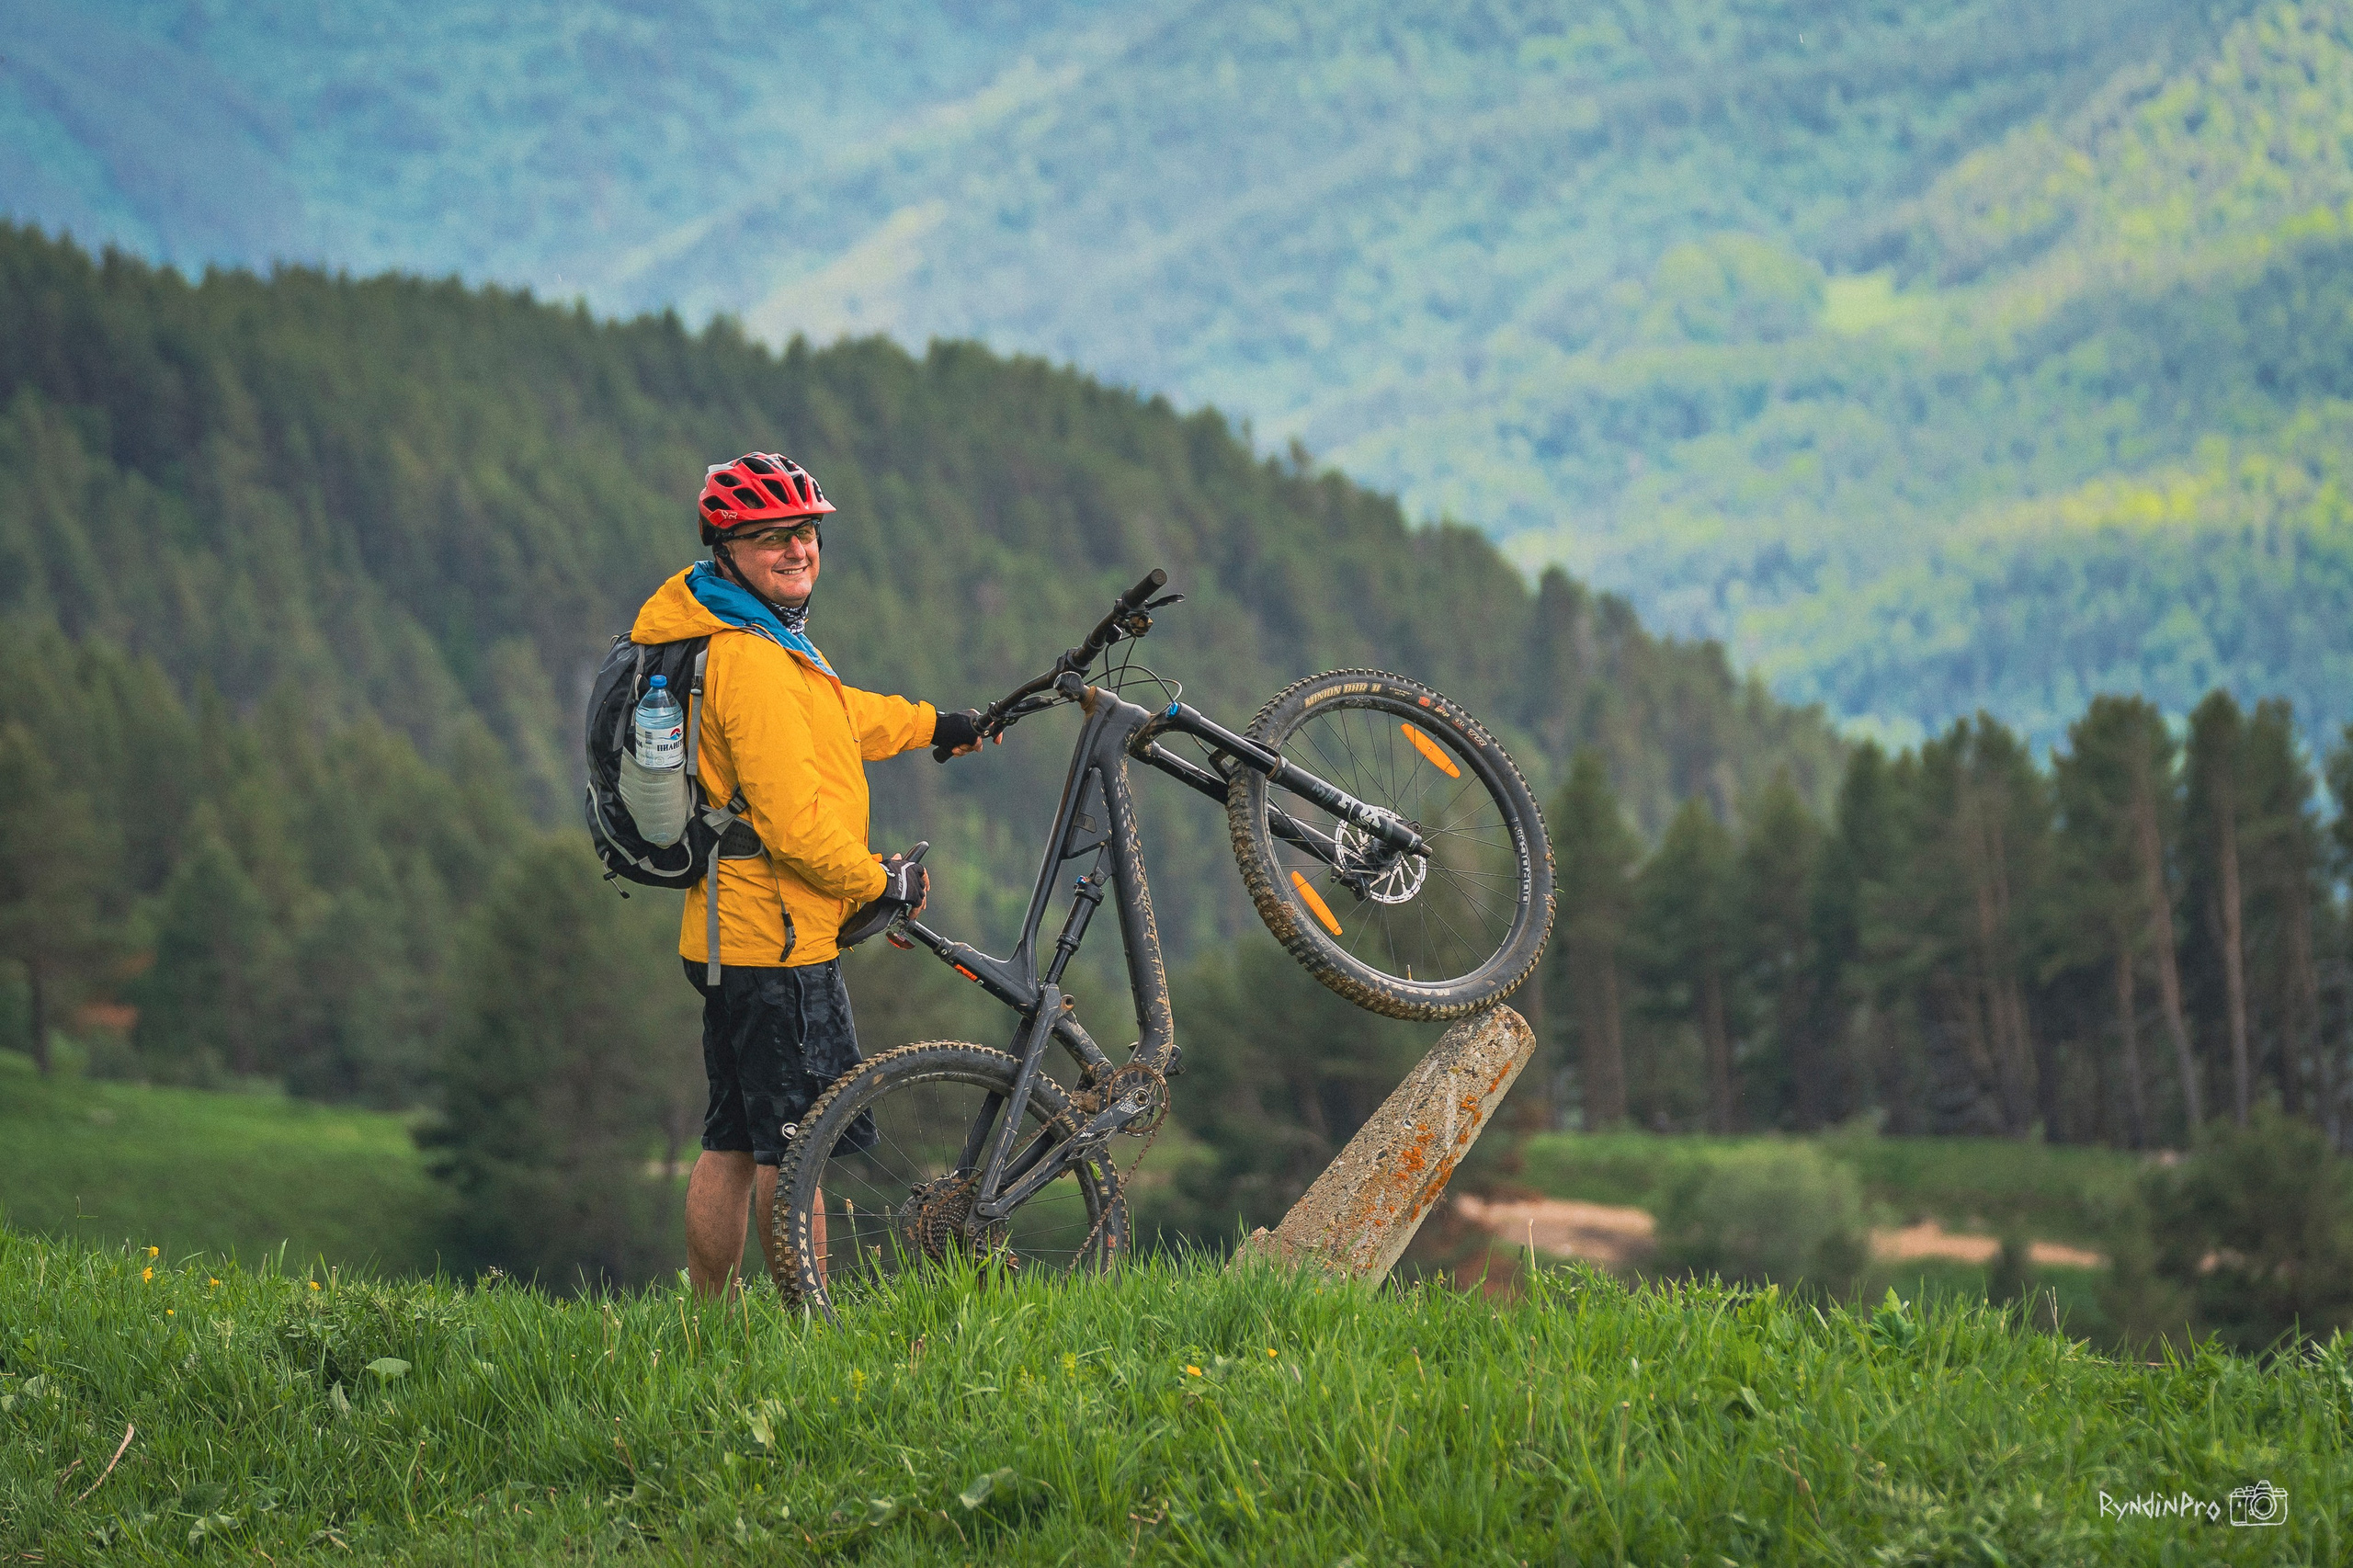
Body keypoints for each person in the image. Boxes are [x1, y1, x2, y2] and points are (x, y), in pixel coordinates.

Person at [628, 453, 983, 1296]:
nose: (797, 549)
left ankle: (709, 1324)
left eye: (806, 532)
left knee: (731, 1140)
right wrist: (881, 884)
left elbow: (836, 714)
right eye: (771, 537)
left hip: (727, 934)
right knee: (797, 1154)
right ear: (726, 547)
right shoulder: (751, 661)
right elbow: (795, 830)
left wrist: (936, 725)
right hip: (776, 946)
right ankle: (808, 1328)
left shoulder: (744, 631)